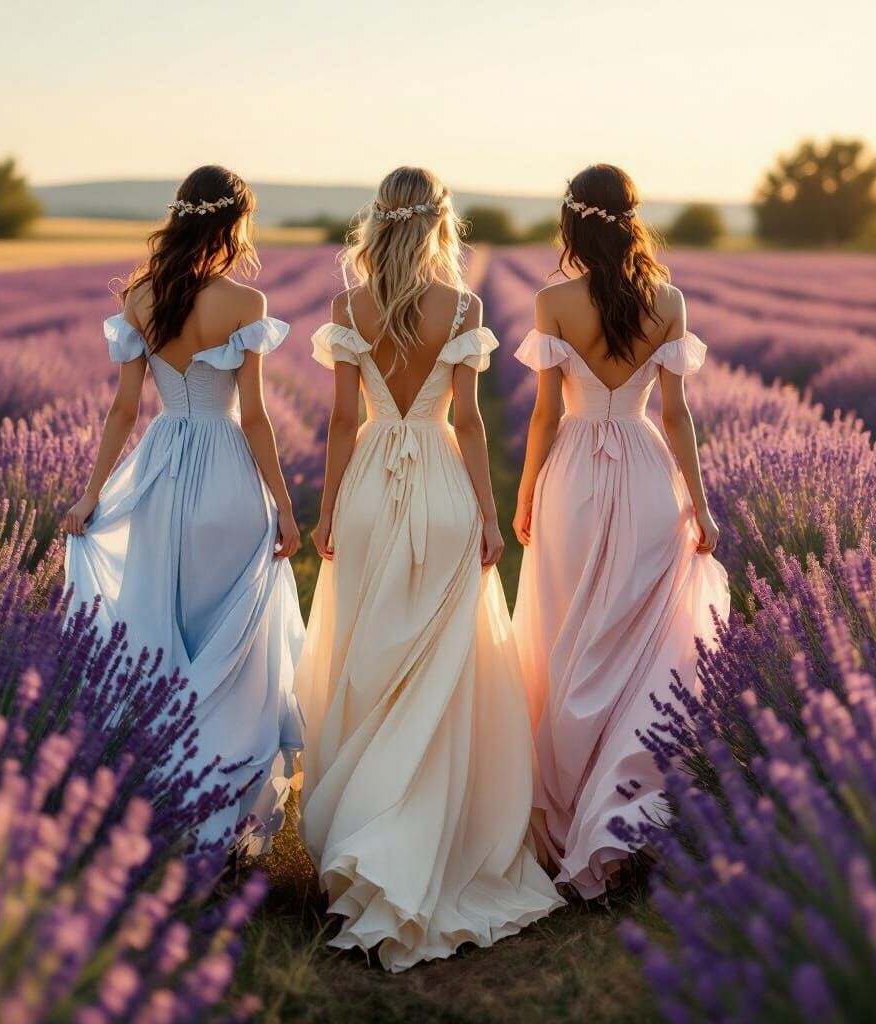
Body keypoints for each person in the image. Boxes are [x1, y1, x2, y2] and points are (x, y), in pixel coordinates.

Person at [295, 166, 563, 972]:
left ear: (376, 222)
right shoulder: (466, 307)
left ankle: (365, 833)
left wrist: (327, 507)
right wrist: (487, 513)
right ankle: (434, 842)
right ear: (442, 223)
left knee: (369, 657)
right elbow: (473, 425)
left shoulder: (350, 307)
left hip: (372, 487)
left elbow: (344, 419)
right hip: (444, 486)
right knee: (447, 665)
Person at [62, 165, 304, 853]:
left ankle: (165, 807)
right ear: (231, 224)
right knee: (233, 648)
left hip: (162, 474)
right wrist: (284, 509)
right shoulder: (245, 305)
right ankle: (222, 817)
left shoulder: (141, 298)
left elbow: (123, 411)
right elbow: (255, 419)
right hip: (228, 478)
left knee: (163, 639)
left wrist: (92, 495)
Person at [512, 164, 730, 899]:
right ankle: (625, 822)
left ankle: (568, 821)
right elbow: (675, 417)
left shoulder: (552, 302)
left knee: (571, 633)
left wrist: (522, 497)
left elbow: (545, 414)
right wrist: (699, 505)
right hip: (642, 474)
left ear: (573, 221)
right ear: (632, 219)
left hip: (573, 472)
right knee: (636, 641)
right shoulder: (666, 300)